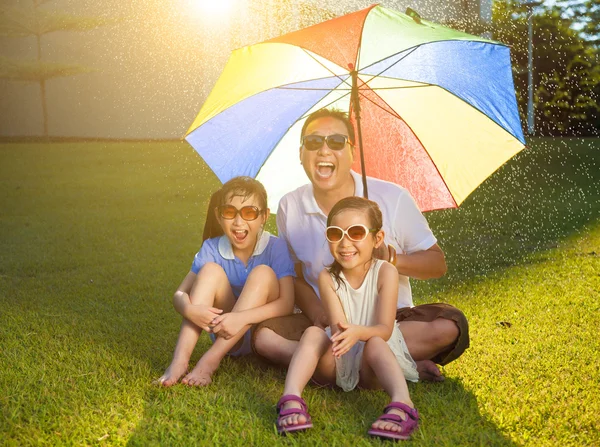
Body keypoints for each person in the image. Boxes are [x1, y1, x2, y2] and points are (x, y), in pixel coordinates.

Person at [253, 108, 469, 382]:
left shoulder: (393, 197)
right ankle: (390, 365)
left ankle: (330, 367)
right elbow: (295, 277)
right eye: (313, 142)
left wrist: (393, 259)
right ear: (300, 154)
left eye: (336, 142)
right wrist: (320, 315)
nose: (324, 150)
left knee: (450, 326)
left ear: (353, 151)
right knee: (263, 338)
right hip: (327, 323)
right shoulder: (290, 206)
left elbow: (436, 263)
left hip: (390, 322)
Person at [276, 197, 420, 440]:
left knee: (374, 342)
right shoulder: (327, 277)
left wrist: (359, 333)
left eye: (356, 232)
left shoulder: (386, 272)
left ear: (377, 239)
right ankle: (290, 398)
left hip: (373, 362)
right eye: (335, 234)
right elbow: (339, 328)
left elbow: (384, 330)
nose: (345, 243)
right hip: (339, 357)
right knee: (313, 332)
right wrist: (349, 334)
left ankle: (402, 404)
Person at [158, 176, 295, 387]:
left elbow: (287, 303)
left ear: (264, 217)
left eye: (249, 212)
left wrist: (241, 318)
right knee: (210, 270)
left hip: (264, 334)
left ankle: (208, 363)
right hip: (226, 333)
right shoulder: (212, 248)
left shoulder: (275, 247)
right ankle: (179, 361)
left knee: (263, 273)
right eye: (230, 212)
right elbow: (179, 294)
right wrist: (189, 309)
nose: (239, 222)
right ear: (219, 216)